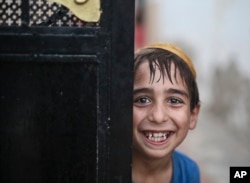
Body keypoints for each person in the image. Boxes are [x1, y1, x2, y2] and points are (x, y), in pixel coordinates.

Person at [132, 42, 201, 183]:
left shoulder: (189, 172)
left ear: (193, 115)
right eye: (143, 99)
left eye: (174, 101)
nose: (158, 116)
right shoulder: (101, 170)